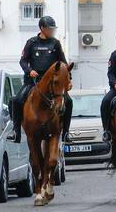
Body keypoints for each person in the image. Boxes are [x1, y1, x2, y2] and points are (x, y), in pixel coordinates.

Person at [10, 15, 73, 144]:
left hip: (52, 83)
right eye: (50, 28)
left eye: (53, 29)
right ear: (42, 28)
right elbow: (23, 61)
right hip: (33, 81)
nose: (52, 31)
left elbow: (63, 63)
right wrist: (29, 71)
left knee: (69, 101)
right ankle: (16, 132)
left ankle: (66, 132)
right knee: (16, 101)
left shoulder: (55, 43)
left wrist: (69, 80)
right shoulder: (31, 42)